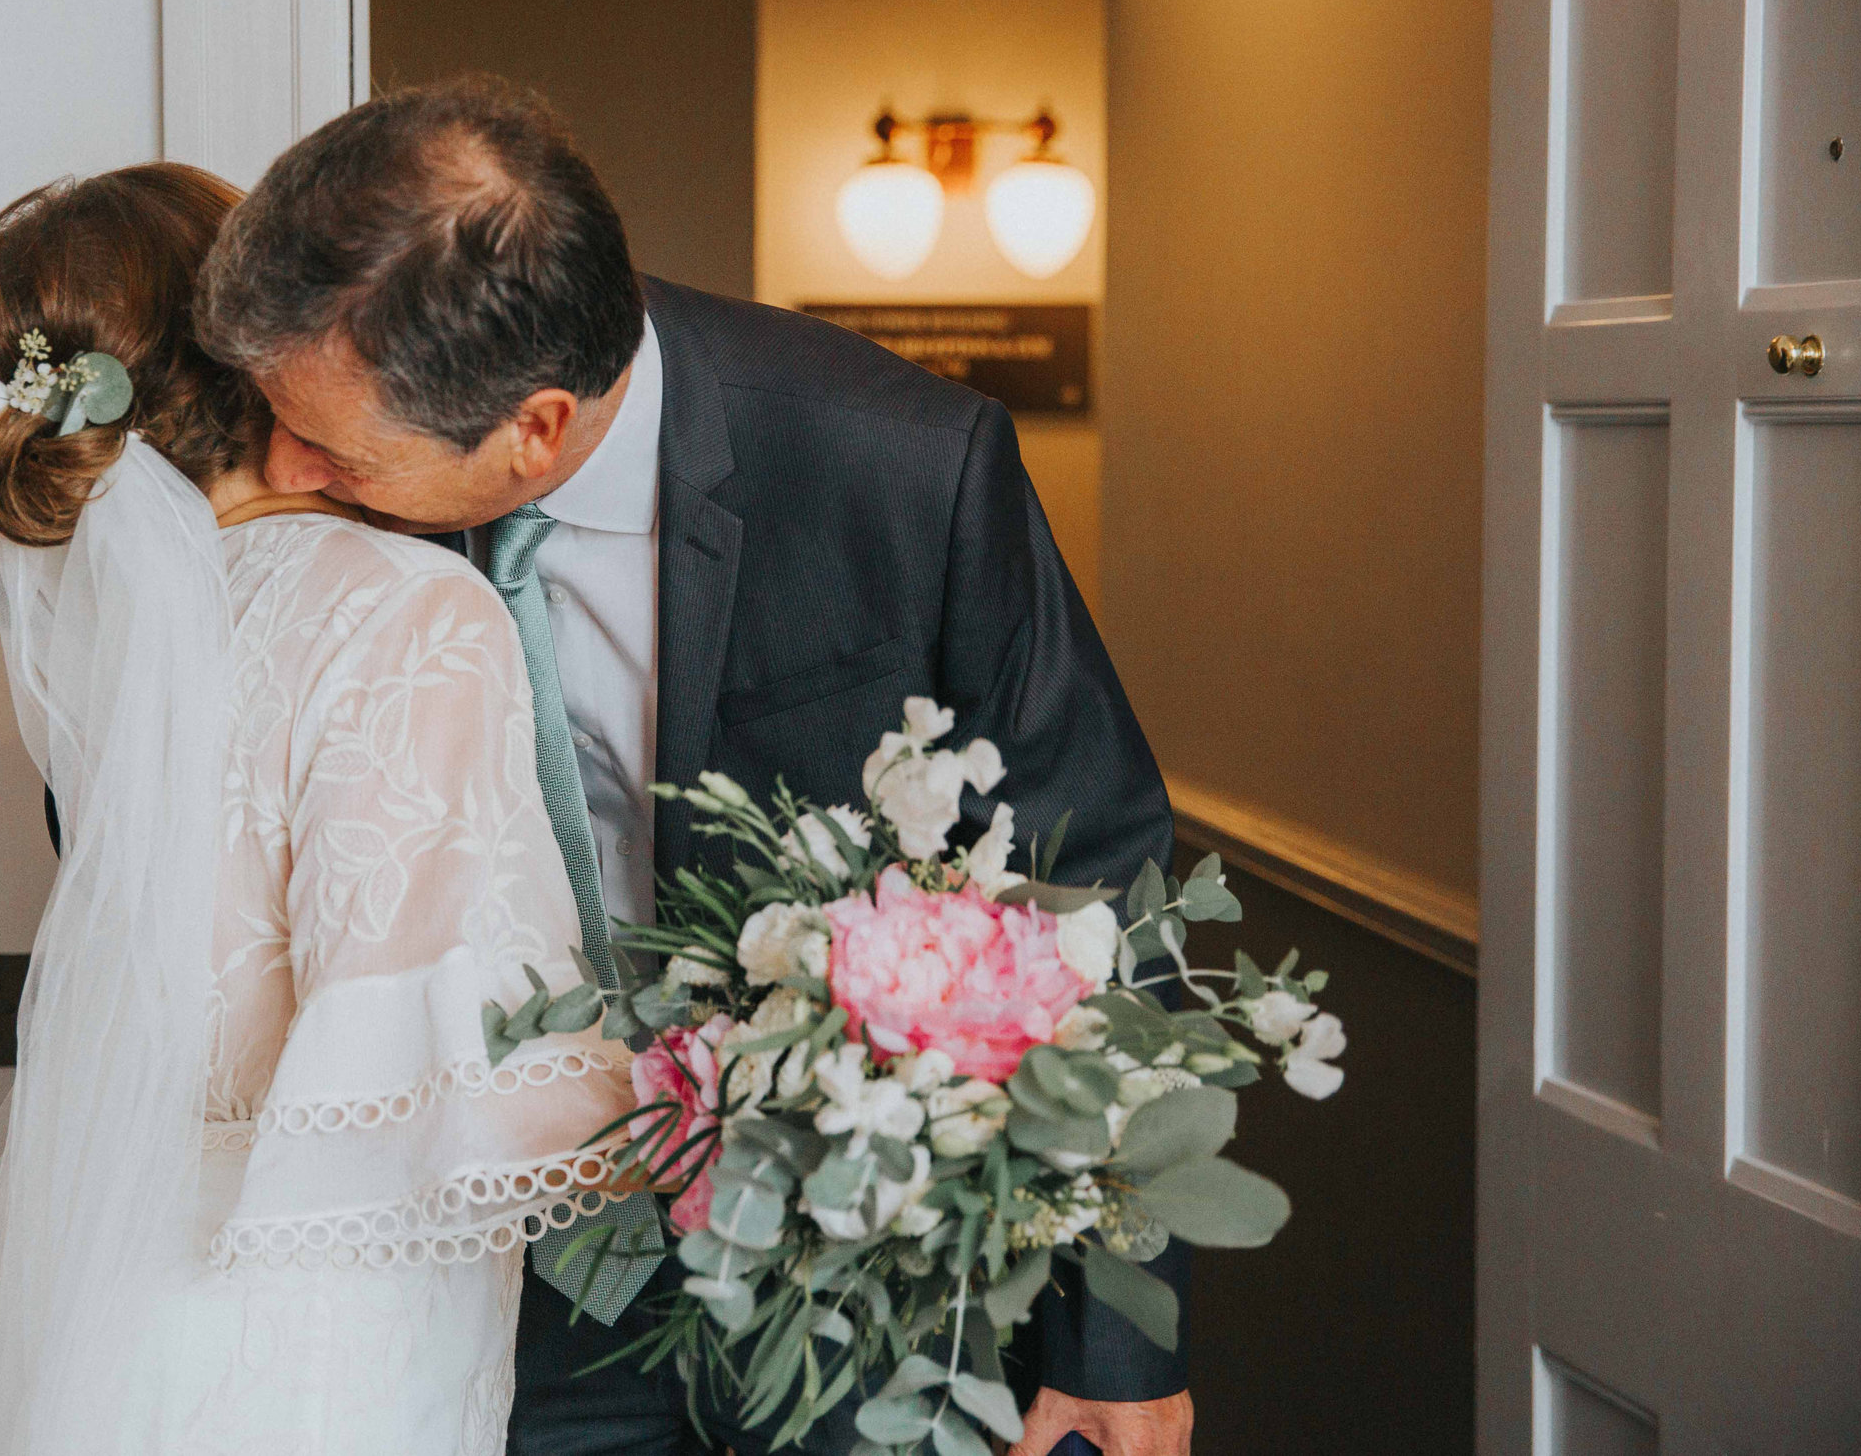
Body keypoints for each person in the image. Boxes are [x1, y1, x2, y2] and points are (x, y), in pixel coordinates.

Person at [200, 76, 1195, 1456]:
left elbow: (1094, 873)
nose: (280, 466)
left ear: (535, 429)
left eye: (331, 442)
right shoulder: (306, 522)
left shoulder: (905, 470)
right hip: (499, 1276)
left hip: (854, 1277)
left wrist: (1116, 1344)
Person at [0, 162, 633, 1456]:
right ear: (254, 346)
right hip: (317, 1341)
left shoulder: (121, 648)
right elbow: (434, 1089)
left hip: (105, 1294)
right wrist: (730, 1089)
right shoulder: (409, 609)